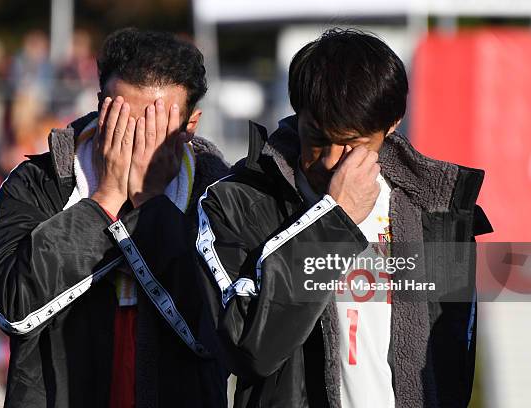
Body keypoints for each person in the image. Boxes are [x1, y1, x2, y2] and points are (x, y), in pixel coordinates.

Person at [195, 28, 493, 408]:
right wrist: (334, 221)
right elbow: (250, 351)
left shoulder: (435, 209)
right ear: (296, 113)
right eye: (316, 137)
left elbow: (448, 364)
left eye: (352, 143)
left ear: (392, 124)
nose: (331, 160)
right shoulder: (238, 201)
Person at [0, 28, 228, 408]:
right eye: (124, 121)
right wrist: (107, 198)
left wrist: (149, 201)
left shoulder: (218, 191)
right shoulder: (39, 182)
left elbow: (217, 333)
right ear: (101, 104)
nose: (136, 141)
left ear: (189, 126)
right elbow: (12, 308)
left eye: (155, 127)